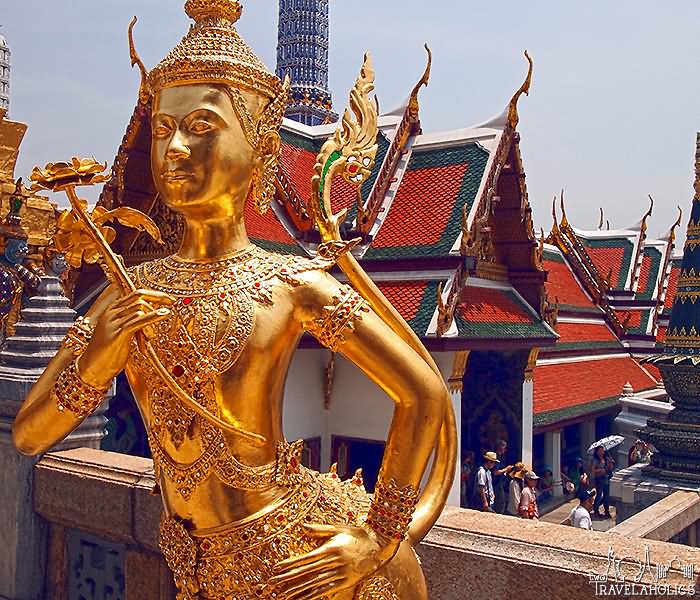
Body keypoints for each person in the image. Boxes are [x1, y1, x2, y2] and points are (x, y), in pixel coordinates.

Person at [11, 2, 454, 597]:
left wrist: (379, 537)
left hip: (302, 561)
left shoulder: (290, 287)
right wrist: (98, 358)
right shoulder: (129, 293)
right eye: (163, 130)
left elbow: (424, 392)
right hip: (193, 566)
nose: (172, 151)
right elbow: (27, 436)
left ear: (260, 148)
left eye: (199, 129)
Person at [591, 446, 615, 519]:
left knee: (606, 495)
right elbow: (593, 469)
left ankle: (606, 511)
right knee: (599, 495)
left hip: (606, 478)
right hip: (599, 479)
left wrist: (611, 463)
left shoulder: (606, 459)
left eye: (602, 450)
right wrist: (600, 470)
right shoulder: (595, 460)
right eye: (600, 451)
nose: (601, 452)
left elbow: (610, 468)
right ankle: (596, 510)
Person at [492, 439, 514, 513]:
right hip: (496, 483)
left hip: (500, 481)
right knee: (500, 502)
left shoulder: (502, 457)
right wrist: (506, 469)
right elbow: (495, 472)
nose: (505, 450)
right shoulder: (496, 457)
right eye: (504, 448)